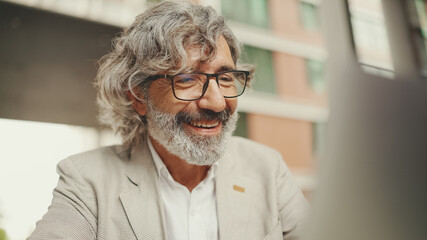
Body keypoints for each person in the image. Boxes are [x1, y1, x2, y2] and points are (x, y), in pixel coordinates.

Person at [29, 1, 308, 239]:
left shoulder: (268, 169)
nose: (217, 102)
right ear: (138, 96)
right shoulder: (87, 180)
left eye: (225, 78)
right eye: (187, 78)